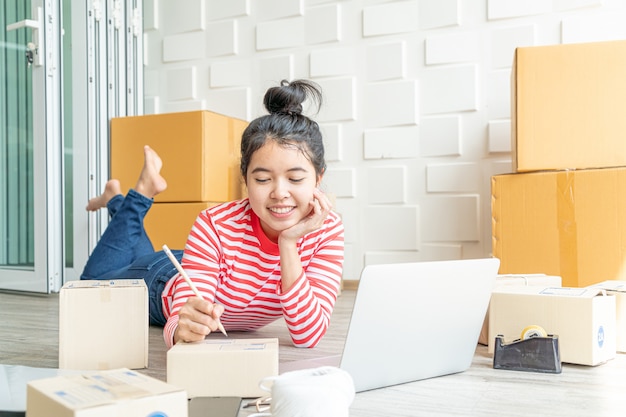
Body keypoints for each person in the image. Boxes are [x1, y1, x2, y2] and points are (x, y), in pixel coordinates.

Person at [81, 79, 344, 349]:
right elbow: (179, 321)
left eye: (295, 179)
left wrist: (287, 243)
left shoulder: (327, 229)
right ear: (245, 179)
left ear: (318, 177)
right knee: (86, 291)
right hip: (165, 279)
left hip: (208, 264)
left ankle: (118, 199)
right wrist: (182, 328)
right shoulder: (215, 223)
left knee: (130, 257)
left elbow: (308, 335)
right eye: (263, 180)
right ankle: (135, 196)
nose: (279, 193)